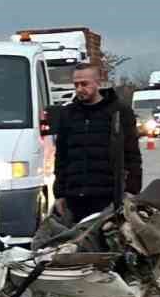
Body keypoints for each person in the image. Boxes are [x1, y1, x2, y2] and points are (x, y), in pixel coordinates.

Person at [50, 63, 141, 223]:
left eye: (84, 84)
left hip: (109, 198)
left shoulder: (119, 112)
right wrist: (59, 194)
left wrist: (131, 191)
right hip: (75, 199)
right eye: (76, 84)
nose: (79, 89)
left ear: (98, 82)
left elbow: (132, 155)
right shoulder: (68, 114)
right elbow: (61, 158)